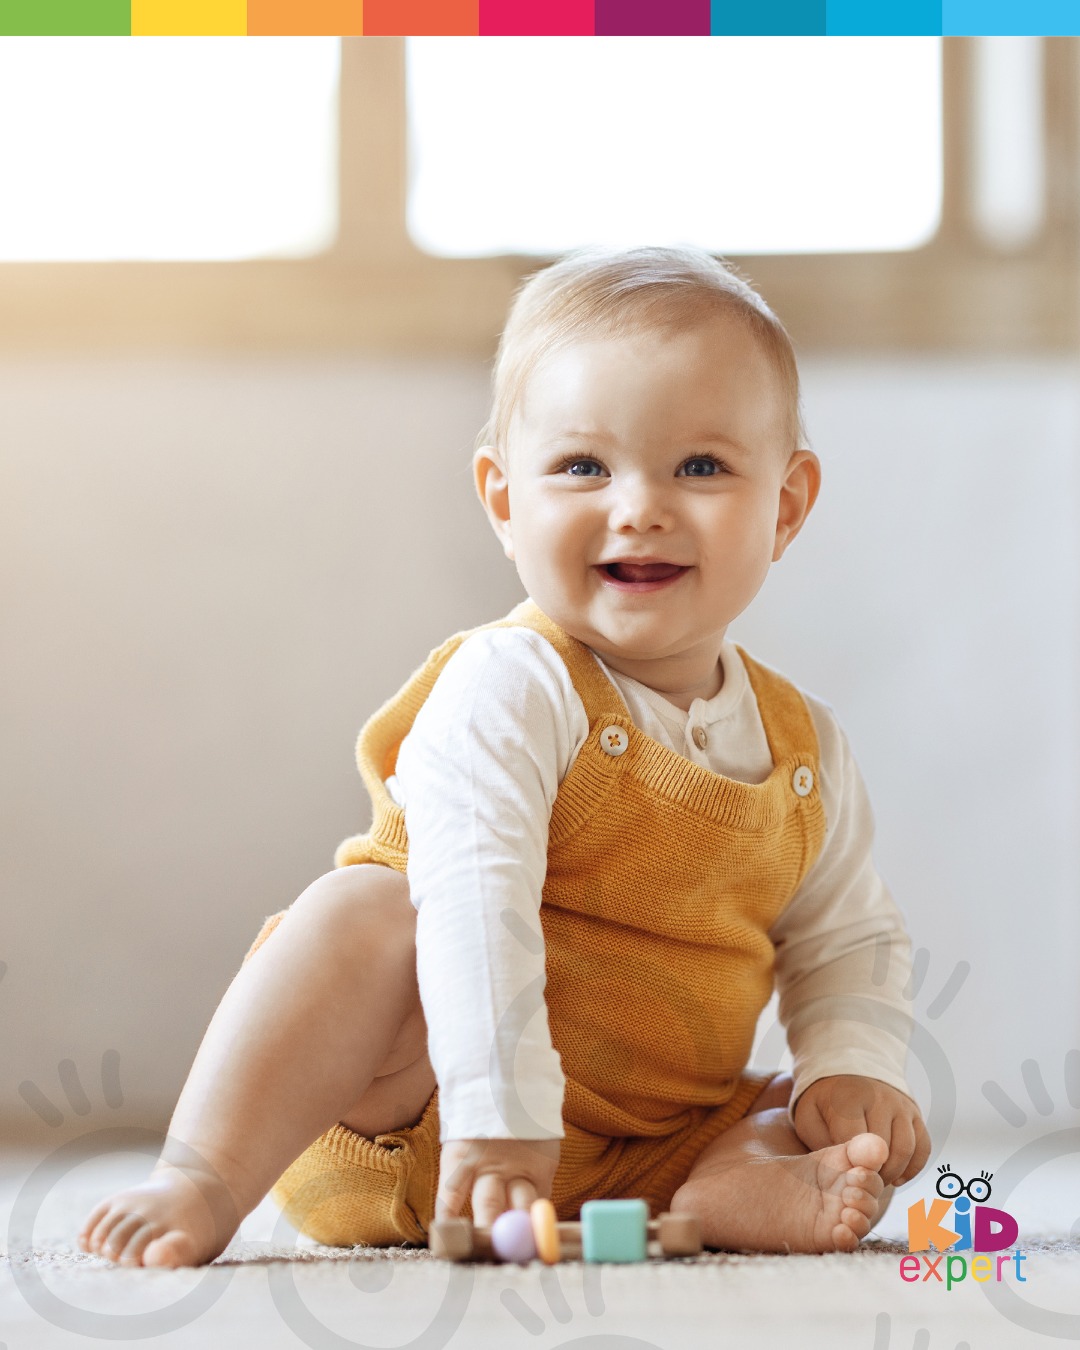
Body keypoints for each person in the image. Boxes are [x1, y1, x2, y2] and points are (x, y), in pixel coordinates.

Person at [78, 245, 930, 1268]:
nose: (639, 506)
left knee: (817, 1121)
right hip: (425, 1109)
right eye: (583, 467)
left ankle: (730, 1190)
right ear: (503, 500)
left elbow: (848, 939)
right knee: (361, 915)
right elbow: (475, 901)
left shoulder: (806, 751)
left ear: (786, 505)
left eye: (700, 467)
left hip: (643, 1146)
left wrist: (854, 1063)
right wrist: (495, 1111)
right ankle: (204, 1174)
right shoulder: (512, 685)